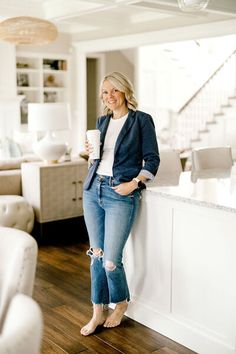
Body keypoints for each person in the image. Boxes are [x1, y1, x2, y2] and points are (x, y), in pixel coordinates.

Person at [81, 71, 160, 336]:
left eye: (114, 90)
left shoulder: (141, 121)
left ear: (125, 91)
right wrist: (89, 154)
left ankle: (121, 302)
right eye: (105, 92)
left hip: (120, 194)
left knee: (111, 261)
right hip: (94, 190)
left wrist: (134, 183)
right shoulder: (101, 122)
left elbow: (152, 160)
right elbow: (98, 160)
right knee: (96, 257)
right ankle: (97, 310)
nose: (109, 96)